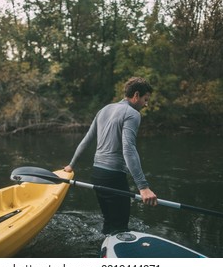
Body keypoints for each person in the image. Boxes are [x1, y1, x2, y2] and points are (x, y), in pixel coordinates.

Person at [64, 77, 157, 235]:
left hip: (97, 174)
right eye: (145, 99)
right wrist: (143, 187)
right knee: (120, 227)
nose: (146, 104)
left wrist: (71, 165)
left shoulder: (104, 109)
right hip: (113, 176)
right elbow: (129, 148)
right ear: (136, 95)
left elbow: (86, 140)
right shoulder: (133, 114)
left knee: (108, 223)